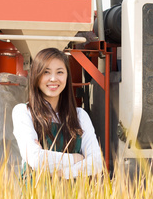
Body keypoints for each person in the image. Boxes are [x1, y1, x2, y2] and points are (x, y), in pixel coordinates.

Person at [12, 48, 104, 178]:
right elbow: (36, 159)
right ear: (36, 76)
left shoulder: (80, 116)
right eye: (46, 72)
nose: (53, 79)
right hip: (36, 196)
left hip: (74, 197)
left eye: (60, 72)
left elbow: (96, 163)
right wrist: (76, 158)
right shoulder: (23, 112)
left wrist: (62, 172)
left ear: (67, 76)